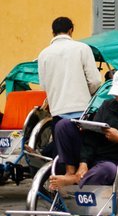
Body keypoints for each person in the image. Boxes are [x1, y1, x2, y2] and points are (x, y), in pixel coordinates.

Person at [49, 68, 118, 190]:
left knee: (108, 169)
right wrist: (83, 162)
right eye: (117, 95)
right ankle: (70, 172)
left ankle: (76, 179)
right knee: (64, 125)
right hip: (95, 153)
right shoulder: (107, 105)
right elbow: (92, 135)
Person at [37, 17, 103, 156]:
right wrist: (87, 94)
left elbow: (44, 85)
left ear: (53, 32)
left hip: (58, 114)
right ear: (71, 30)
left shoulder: (44, 54)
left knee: (63, 156)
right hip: (83, 113)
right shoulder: (82, 48)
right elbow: (96, 81)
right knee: (84, 155)